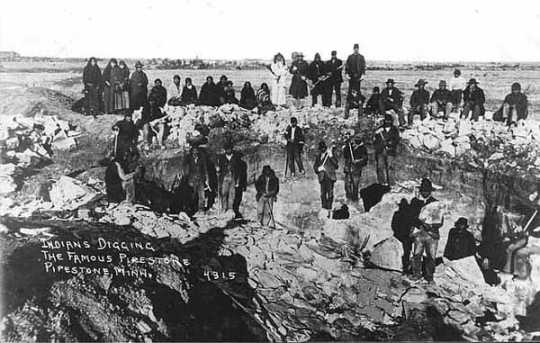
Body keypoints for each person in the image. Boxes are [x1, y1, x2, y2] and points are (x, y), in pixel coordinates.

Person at [410, 178, 442, 283]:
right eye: (423, 190)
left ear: (430, 191)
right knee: (417, 254)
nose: (424, 193)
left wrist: (432, 226)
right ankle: (416, 274)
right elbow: (411, 217)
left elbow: (440, 221)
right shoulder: (415, 202)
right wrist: (420, 223)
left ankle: (429, 276)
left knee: (431, 256)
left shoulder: (436, 203)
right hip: (419, 232)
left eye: (426, 191)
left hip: (431, 234)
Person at [313, 141, 339, 218]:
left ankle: (329, 209)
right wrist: (318, 169)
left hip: (330, 177)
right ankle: (324, 209)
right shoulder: (318, 157)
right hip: (322, 177)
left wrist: (331, 156)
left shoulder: (330, 155)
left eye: (324, 148)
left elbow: (336, 165)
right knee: (322, 194)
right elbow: (315, 167)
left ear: (326, 148)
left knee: (330, 194)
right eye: (321, 149)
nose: (323, 150)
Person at [182, 145, 210, 214]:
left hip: (200, 179)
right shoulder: (189, 159)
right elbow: (184, 166)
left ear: (197, 152)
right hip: (192, 180)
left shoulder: (201, 159)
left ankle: (201, 210)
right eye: (193, 151)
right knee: (192, 195)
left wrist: (207, 179)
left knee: (202, 196)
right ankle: (192, 210)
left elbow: (205, 169)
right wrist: (186, 176)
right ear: (192, 152)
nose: (195, 152)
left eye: (196, 151)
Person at [373, 114, 400, 186]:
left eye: (389, 120)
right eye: (386, 120)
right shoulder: (380, 129)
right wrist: (381, 144)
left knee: (390, 167)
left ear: (391, 121)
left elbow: (397, 140)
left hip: (390, 151)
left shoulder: (394, 130)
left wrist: (390, 143)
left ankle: (391, 184)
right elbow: (375, 141)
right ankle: (382, 183)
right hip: (380, 151)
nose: (388, 122)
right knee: (380, 167)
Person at [342, 131, 368, 202]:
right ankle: (348, 197)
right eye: (356, 138)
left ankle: (355, 199)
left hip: (357, 169)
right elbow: (345, 155)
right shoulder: (350, 146)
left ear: (361, 139)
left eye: (359, 138)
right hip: (348, 167)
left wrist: (358, 161)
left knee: (355, 184)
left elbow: (365, 159)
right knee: (347, 184)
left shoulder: (363, 148)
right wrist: (347, 145)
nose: (357, 139)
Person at [392, 198, 416, 274]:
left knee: (403, 253)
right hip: (405, 237)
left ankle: (404, 267)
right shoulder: (409, 215)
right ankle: (405, 267)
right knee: (406, 253)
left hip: (401, 237)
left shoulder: (397, 214)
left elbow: (393, 226)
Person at [216, 142, 241, 212]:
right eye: (227, 149)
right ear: (225, 150)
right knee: (224, 193)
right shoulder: (221, 158)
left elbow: (238, 170)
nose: (228, 150)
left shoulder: (235, 158)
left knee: (232, 194)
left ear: (231, 149)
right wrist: (218, 169)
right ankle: (224, 207)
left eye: (229, 149)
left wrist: (237, 181)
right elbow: (219, 168)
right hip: (224, 178)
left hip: (233, 177)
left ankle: (230, 208)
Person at [232, 152, 248, 219]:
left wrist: (244, 185)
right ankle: (233, 212)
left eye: (239, 156)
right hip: (233, 183)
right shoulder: (232, 164)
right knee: (233, 198)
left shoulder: (243, 164)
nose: (238, 158)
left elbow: (244, 175)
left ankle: (236, 211)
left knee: (238, 198)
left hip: (240, 183)